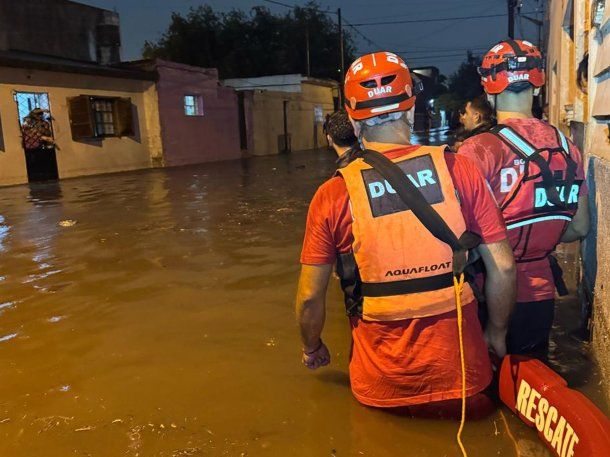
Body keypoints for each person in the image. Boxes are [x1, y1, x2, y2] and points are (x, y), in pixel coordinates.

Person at [295, 51, 516, 417]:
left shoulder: (332, 195)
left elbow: (308, 299)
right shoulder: (458, 169)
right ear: (412, 109)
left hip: (380, 386)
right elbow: (504, 269)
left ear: (352, 118)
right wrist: (496, 334)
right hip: (464, 378)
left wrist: (312, 347)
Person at [458, 40, 590, 356]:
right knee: (532, 386)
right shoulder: (568, 148)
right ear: (537, 86)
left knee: (485, 389)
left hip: (487, 294)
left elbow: (457, 239)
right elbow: (580, 226)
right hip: (541, 295)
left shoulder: (476, 151)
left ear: (489, 93)